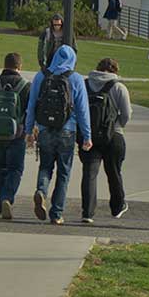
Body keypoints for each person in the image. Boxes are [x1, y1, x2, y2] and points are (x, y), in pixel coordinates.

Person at [25, 45, 93, 225]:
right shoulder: (76, 79)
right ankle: (56, 213)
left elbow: (31, 105)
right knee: (64, 172)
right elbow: (83, 110)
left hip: (45, 128)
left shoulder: (41, 76)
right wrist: (87, 136)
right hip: (67, 129)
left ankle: (41, 190)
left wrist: (28, 130)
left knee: (46, 166)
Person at [0, 53, 33, 220]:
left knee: (1, 168)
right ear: (20, 67)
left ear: (4, 65)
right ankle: (6, 198)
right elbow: (30, 111)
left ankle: (1, 203)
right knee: (15, 169)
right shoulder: (26, 86)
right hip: (17, 134)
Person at [79, 58, 131, 223]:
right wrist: (117, 125)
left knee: (89, 173)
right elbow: (126, 114)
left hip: (89, 135)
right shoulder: (118, 87)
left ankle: (87, 212)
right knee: (114, 172)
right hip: (113, 135)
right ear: (115, 70)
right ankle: (117, 207)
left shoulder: (85, 85)